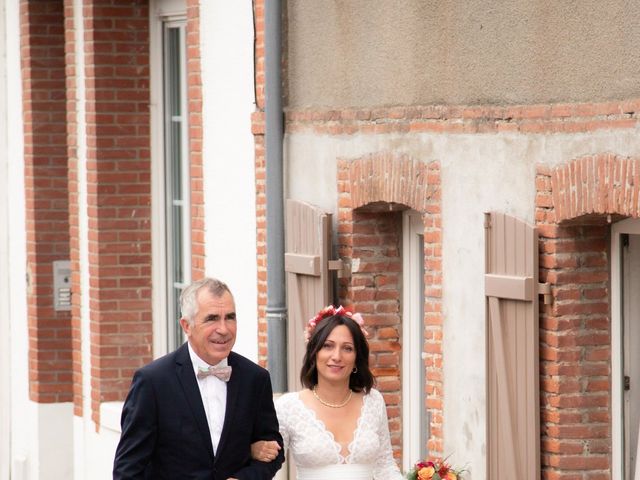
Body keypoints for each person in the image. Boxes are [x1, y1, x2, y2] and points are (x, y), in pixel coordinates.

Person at [113, 277, 284, 480]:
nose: (224, 329)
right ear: (187, 325)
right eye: (212, 319)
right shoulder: (153, 382)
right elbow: (128, 470)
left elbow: (274, 451)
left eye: (230, 317)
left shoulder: (255, 378)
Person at [252, 305, 403, 480]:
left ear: (356, 358)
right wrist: (251, 449)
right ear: (314, 353)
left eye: (347, 348)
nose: (337, 356)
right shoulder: (289, 407)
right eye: (328, 346)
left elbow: (385, 466)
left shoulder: (373, 401)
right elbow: (267, 462)